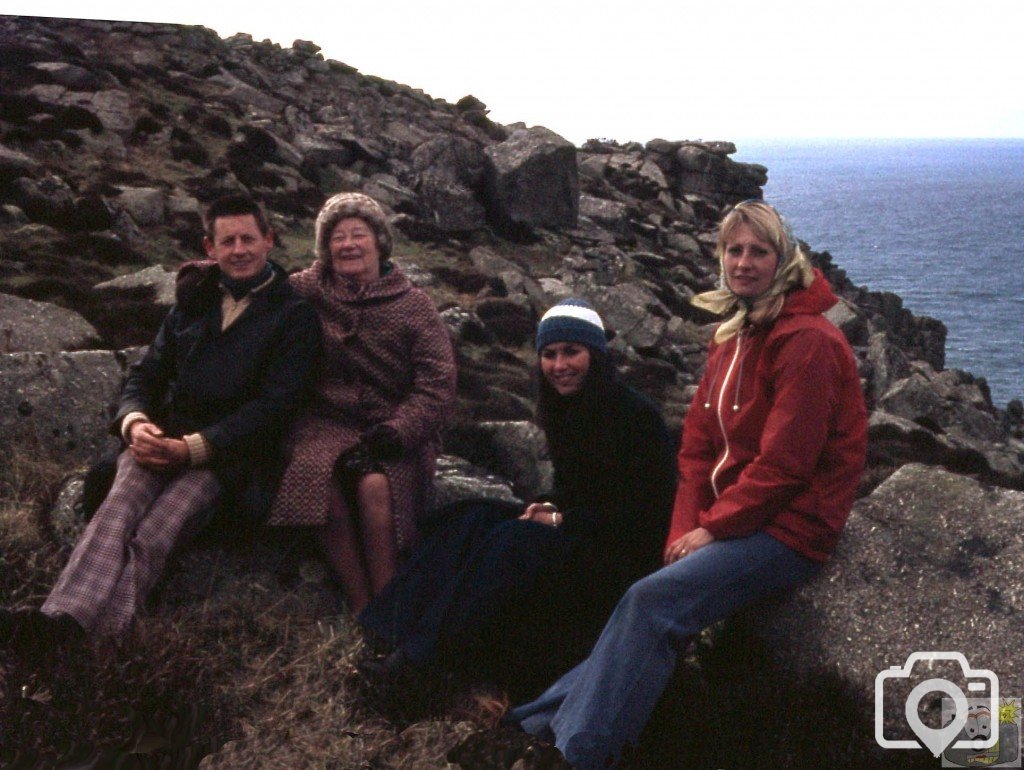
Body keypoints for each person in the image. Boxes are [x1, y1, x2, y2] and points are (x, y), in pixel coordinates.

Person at [453, 200, 869, 769]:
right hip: (738, 520)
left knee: (652, 602)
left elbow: (786, 466)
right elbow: (696, 448)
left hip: (790, 527)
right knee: (648, 596)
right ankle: (534, 726)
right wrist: (684, 532)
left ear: (784, 258)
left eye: (758, 251)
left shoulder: (808, 342)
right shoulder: (732, 337)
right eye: (733, 250)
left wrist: (713, 530)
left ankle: (575, 753)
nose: (743, 262)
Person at [0, 194, 322, 644]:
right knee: (117, 508)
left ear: (269, 241)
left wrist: (191, 448)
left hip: (229, 461)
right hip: (163, 437)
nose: (239, 249)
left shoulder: (295, 316)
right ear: (210, 248)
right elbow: (147, 374)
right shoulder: (193, 302)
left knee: (157, 530)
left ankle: (92, 638)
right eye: (227, 241)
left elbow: (276, 408)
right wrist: (135, 423)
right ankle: (61, 622)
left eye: (249, 238)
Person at [358, 298, 677, 696]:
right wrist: (548, 503)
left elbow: (644, 517)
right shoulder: (566, 408)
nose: (559, 365)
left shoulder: (636, 417)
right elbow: (575, 487)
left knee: (513, 540)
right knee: (471, 516)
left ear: (595, 355)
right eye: (549, 354)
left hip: (616, 556)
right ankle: (385, 631)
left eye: (571, 352)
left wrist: (561, 521)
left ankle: (417, 664)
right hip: (580, 530)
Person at [267, 192, 456, 616]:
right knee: (317, 475)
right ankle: (359, 603)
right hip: (326, 422)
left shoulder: (414, 305)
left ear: (379, 242)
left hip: (393, 428)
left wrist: (397, 433)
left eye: (359, 234)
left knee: (374, 484)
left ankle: (387, 606)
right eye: (337, 237)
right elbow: (260, 281)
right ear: (325, 248)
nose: (348, 244)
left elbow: (438, 385)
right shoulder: (309, 288)